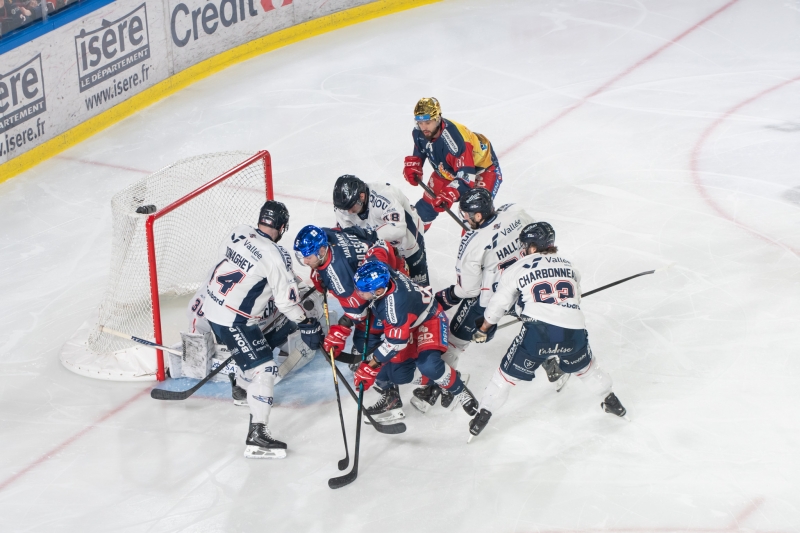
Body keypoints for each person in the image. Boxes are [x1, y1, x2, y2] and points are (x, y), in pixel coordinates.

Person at [467, 222, 628, 442]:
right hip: (574, 333)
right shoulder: (570, 266)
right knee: (588, 370)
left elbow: (497, 305)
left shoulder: (517, 268)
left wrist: (484, 329)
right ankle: (612, 402)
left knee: (504, 378)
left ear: (533, 247)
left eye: (525, 245)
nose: (523, 249)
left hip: (538, 334)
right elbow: (576, 299)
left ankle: (482, 416)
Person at [411, 187, 564, 412]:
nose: (464, 218)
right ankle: (553, 365)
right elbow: (538, 242)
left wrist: (449, 296)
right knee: (535, 323)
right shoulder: (514, 211)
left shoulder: (472, 243)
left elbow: (468, 289)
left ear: (478, 215)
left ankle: (441, 387)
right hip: (527, 287)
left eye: (467, 214)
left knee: (455, 339)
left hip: (491, 299)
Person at [199, 201, 323, 459]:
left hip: (211, 306)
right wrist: (307, 324)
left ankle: (242, 388)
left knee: (270, 333)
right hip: (234, 321)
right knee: (265, 368)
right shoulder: (275, 255)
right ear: (282, 226)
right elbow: (286, 303)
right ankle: (257, 435)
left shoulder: (239, 231)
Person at [350, 261, 479, 423]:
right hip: (409, 321)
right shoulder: (385, 273)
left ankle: (458, 388)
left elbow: (395, 343)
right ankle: (443, 379)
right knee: (399, 375)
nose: (359, 294)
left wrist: (370, 368)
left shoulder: (394, 307)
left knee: (429, 365)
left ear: (379, 291)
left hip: (430, 319)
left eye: (363, 291)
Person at [293, 224, 407, 367]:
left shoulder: (340, 277)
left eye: (308, 257)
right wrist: (320, 272)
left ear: (322, 251)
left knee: (368, 336)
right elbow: (358, 232)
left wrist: (339, 332)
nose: (305, 261)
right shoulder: (326, 234)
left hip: (389, 281)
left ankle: (388, 366)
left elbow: (359, 311)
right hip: (385, 258)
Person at [402, 97, 503, 230]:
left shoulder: (456, 142)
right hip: (448, 169)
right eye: (420, 122)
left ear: (438, 118)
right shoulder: (419, 132)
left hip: (482, 170)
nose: (423, 127)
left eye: (427, 122)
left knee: (475, 217)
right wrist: (416, 163)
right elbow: (421, 148)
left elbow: (466, 178)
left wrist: (451, 192)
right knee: (424, 210)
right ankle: (410, 240)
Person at [332, 174, 429, 286]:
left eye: (350, 207)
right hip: (378, 244)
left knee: (419, 284)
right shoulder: (343, 208)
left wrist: (369, 235)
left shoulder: (385, 195)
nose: (348, 212)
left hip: (408, 239)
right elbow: (348, 235)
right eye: (344, 209)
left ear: (361, 196)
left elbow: (398, 228)